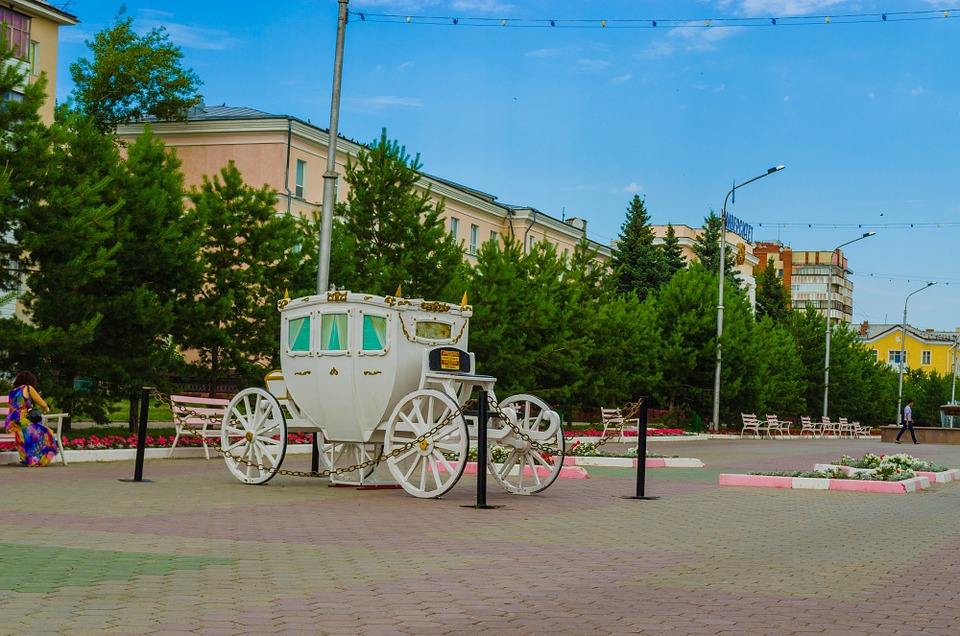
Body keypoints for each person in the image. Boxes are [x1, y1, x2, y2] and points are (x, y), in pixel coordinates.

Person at [4, 370, 57, 466]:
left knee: (31, 432)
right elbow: (43, 403)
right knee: (47, 432)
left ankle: (28, 458)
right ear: (31, 380)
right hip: (21, 421)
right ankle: (37, 459)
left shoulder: (12, 392)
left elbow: (11, 409)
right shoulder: (28, 388)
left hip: (10, 424)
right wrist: (46, 409)